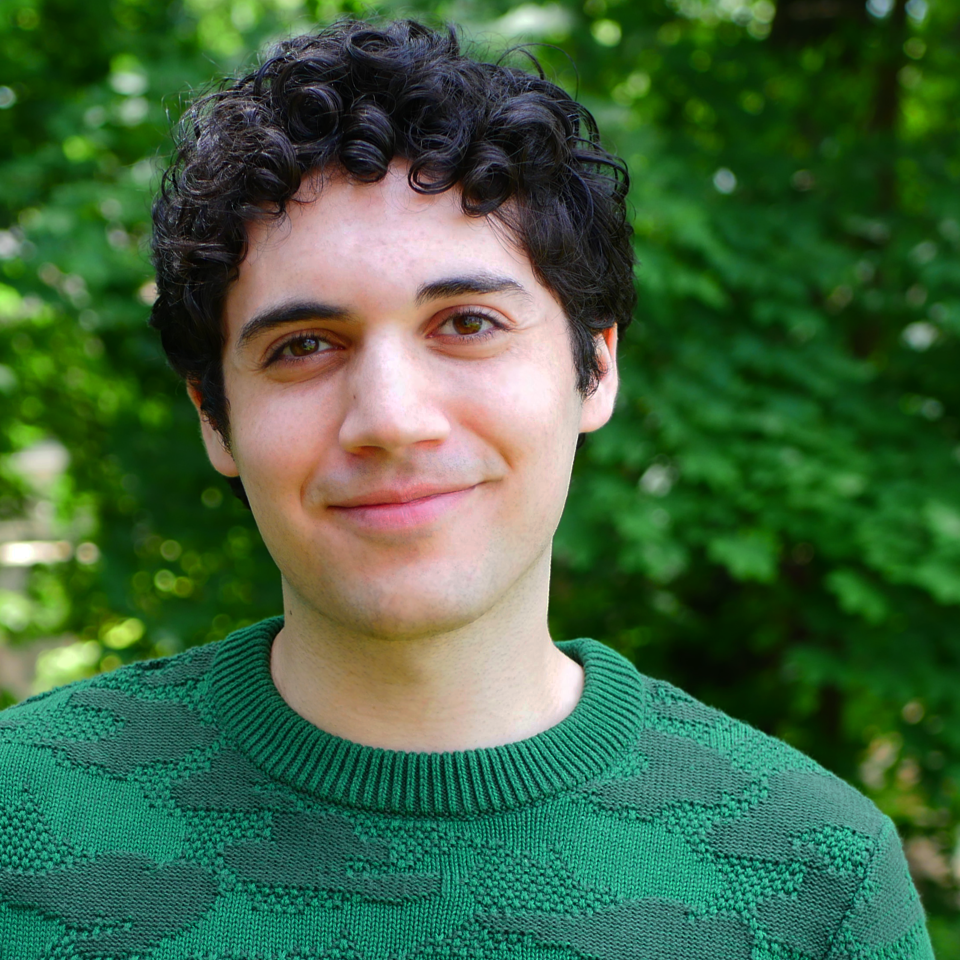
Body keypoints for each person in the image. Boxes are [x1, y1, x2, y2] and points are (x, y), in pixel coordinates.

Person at [0, 18, 933, 959]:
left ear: (596, 368)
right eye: (304, 345)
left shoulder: (818, 881)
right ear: (214, 416)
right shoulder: (20, 822)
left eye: (468, 324)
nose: (391, 418)